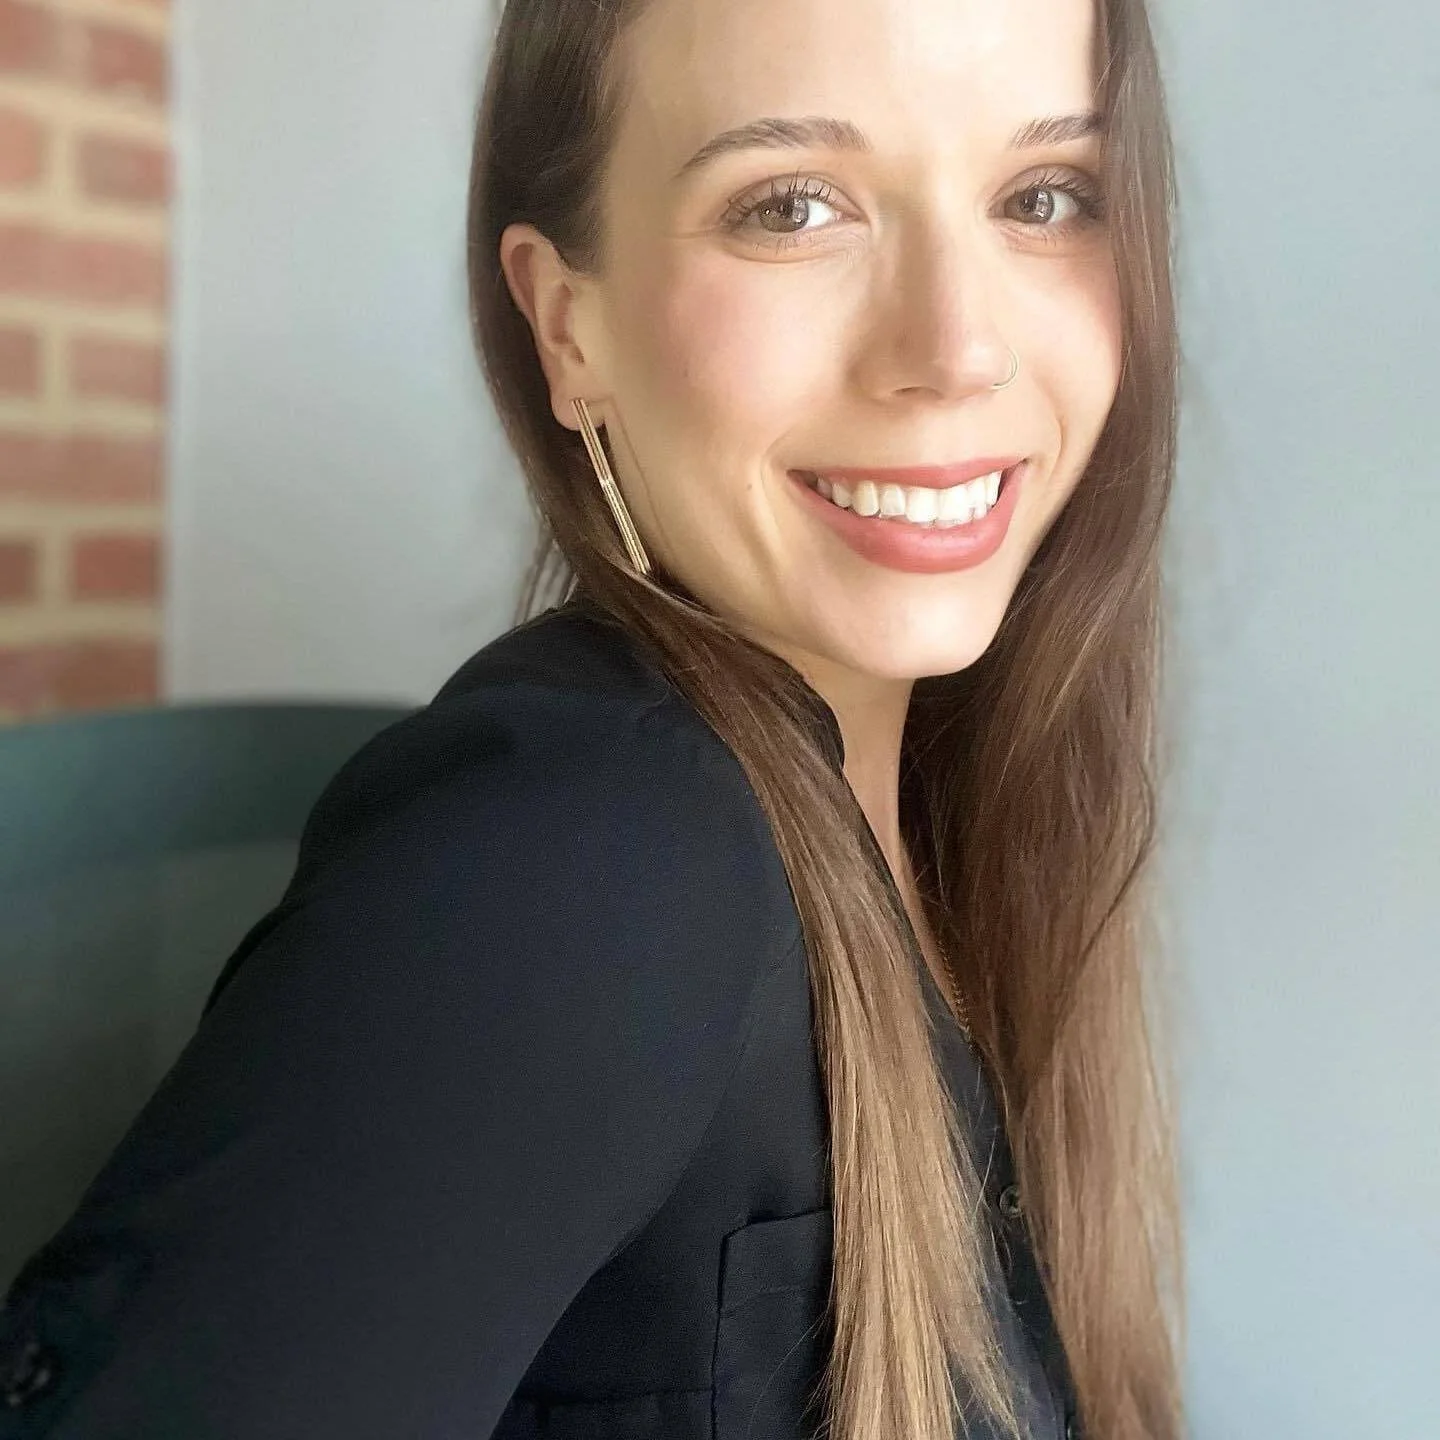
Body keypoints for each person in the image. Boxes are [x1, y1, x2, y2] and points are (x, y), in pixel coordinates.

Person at [0, 0, 1186, 1434]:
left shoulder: (945, 812)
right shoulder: (590, 856)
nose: (955, 346)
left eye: (1044, 196)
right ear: (571, 328)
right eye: (792, 204)